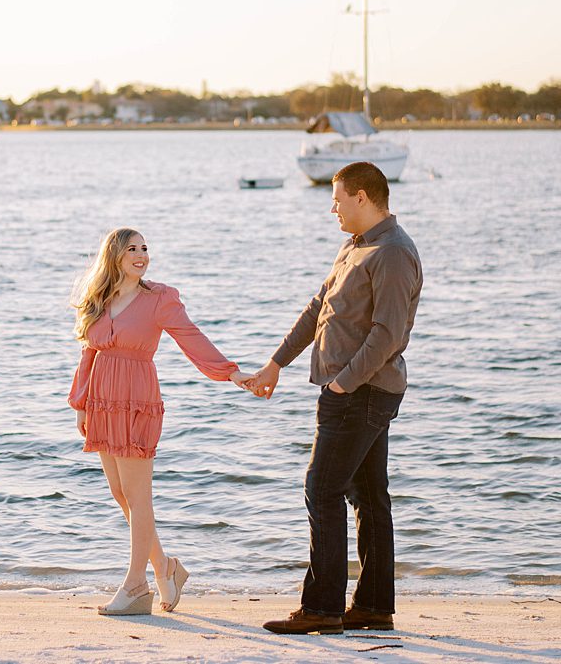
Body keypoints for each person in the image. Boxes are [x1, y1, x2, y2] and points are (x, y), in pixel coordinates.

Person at [243, 161, 423, 636]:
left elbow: (387, 334)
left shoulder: (393, 253)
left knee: (322, 490)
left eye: (338, 199)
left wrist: (342, 383)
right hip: (350, 391)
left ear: (362, 197)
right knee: (367, 497)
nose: (333, 207)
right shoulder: (356, 246)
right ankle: (372, 608)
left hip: (361, 393)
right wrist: (275, 363)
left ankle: (323, 608)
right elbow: (317, 307)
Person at [68, 227, 256, 616]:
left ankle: (137, 586)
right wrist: (81, 404)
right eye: (132, 249)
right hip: (103, 401)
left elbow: (191, 337)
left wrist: (229, 372)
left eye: (144, 248)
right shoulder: (100, 299)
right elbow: (88, 353)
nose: (141, 255)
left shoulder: (159, 299)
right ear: (114, 256)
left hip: (137, 398)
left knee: (139, 497)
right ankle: (165, 568)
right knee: (122, 494)